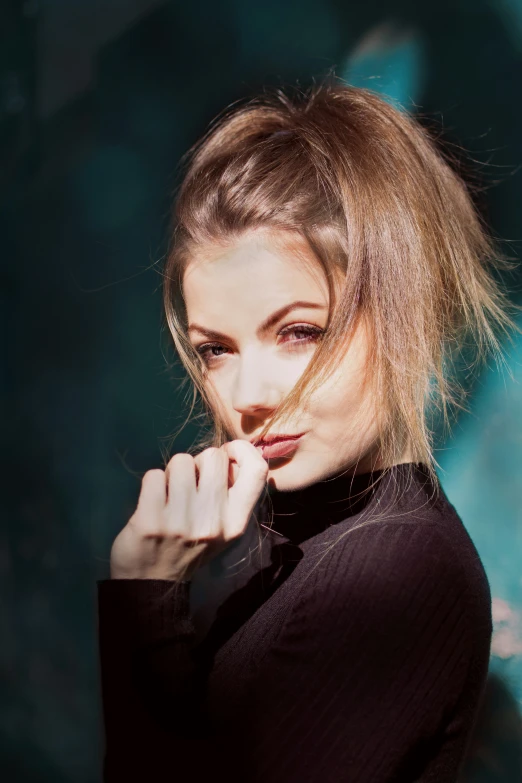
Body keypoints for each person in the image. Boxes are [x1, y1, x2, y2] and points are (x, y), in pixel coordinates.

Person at [96, 78, 521, 782]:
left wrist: (144, 597)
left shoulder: (393, 573)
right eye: (216, 349)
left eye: (298, 332)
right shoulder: (294, 539)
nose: (248, 396)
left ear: (402, 314)